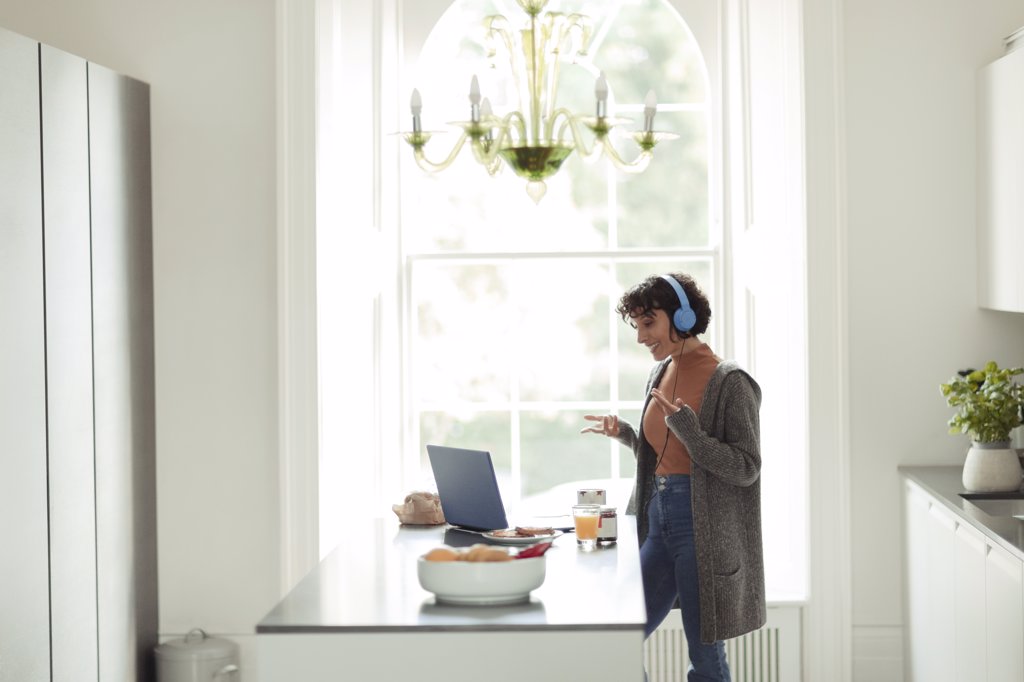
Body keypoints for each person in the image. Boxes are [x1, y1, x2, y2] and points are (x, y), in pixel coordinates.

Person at [581, 273, 765, 682]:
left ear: (681, 317)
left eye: (649, 323)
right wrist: (626, 433)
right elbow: (664, 452)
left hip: (702, 529)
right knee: (619, 636)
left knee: (705, 656)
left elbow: (746, 467)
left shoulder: (731, 383)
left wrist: (691, 432)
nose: (641, 337)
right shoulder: (661, 372)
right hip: (658, 520)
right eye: (638, 326)